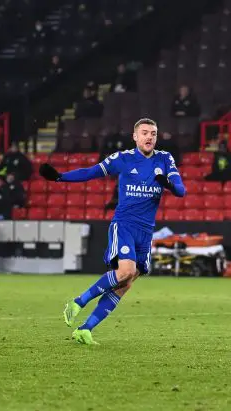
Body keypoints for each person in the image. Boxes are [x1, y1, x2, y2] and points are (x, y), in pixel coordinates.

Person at [39, 118, 186, 345]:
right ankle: (79, 301)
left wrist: (166, 183)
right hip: (124, 224)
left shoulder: (165, 159)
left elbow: (181, 191)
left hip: (146, 232)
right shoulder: (123, 158)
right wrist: (60, 177)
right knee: (125, 270)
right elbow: (91, 172)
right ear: (135, 136)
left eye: (153, 133)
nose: (149, 137)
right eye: (145, 133)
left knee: (125, 284)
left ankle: (85, 329)